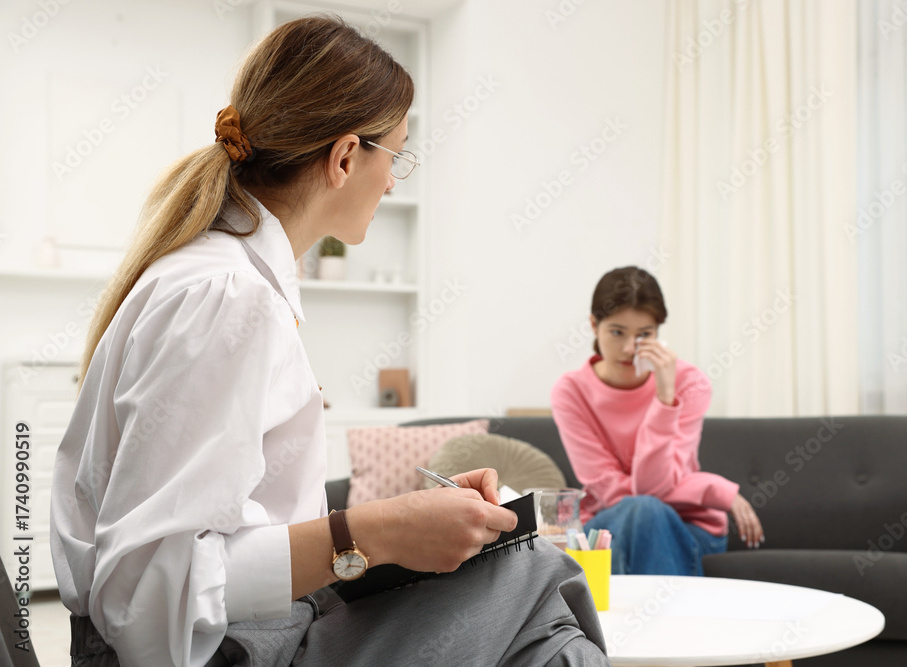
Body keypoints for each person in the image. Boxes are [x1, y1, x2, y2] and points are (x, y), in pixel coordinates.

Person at [50, 16, 610, 667]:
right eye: (395, 155)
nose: (395, 180)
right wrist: (376, 531)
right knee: (539, 577)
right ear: (345, 157)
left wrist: (408, 522)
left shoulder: (229, 280)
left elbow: (240, 525)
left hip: (257, 631)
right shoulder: (225, 297)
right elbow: (143, 592)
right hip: (228, 652)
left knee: (546, 629)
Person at [550, 266, 764, 577]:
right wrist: (711, 487)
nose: (629, 348)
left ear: (658, 332)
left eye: (644, 335)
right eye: (617, 332)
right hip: (608, 527)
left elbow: (654, 486)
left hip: (689, 528)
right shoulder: (571, 392)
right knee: (643, 509)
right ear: (594, 325)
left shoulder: (689, 384)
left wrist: (665, 399)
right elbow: (612, 491)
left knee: (647, 510)